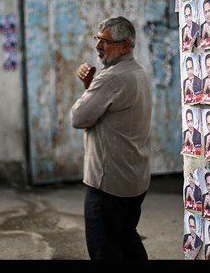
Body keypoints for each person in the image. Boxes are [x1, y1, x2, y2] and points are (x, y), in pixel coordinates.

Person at [70, 16, 152, 260]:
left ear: (125, 46)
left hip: (108, 184)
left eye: (105, 41)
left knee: (105, 250)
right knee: (128, 241)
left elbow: (78, 117)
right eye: (98, 40)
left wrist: (91, 86)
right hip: (133, 180)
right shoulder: (139, 73)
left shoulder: (111, 78)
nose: (98, 46)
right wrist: (91, 86)